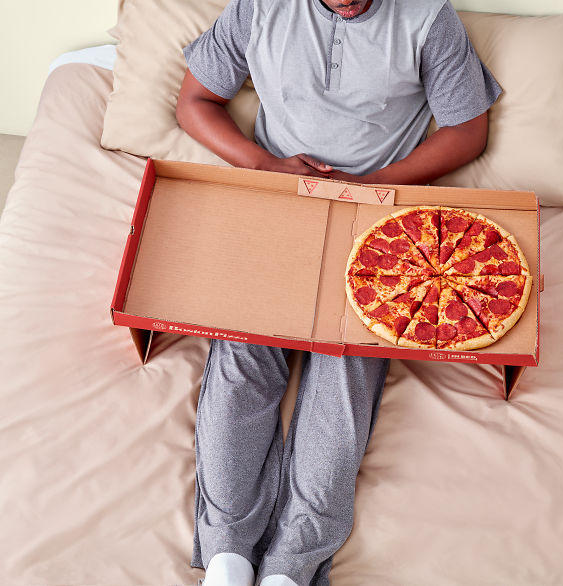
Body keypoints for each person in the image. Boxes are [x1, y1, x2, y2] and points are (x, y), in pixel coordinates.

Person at [175, 1, 502, 584]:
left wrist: (372, 187)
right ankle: (227, 555)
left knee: (345, 372)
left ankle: (291, 567)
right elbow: (195, 102)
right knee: (241, 357)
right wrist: (267, 166)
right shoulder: (260, 7)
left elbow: (467, 130)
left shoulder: (429, 19)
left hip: (373, 218)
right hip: (279, 203)